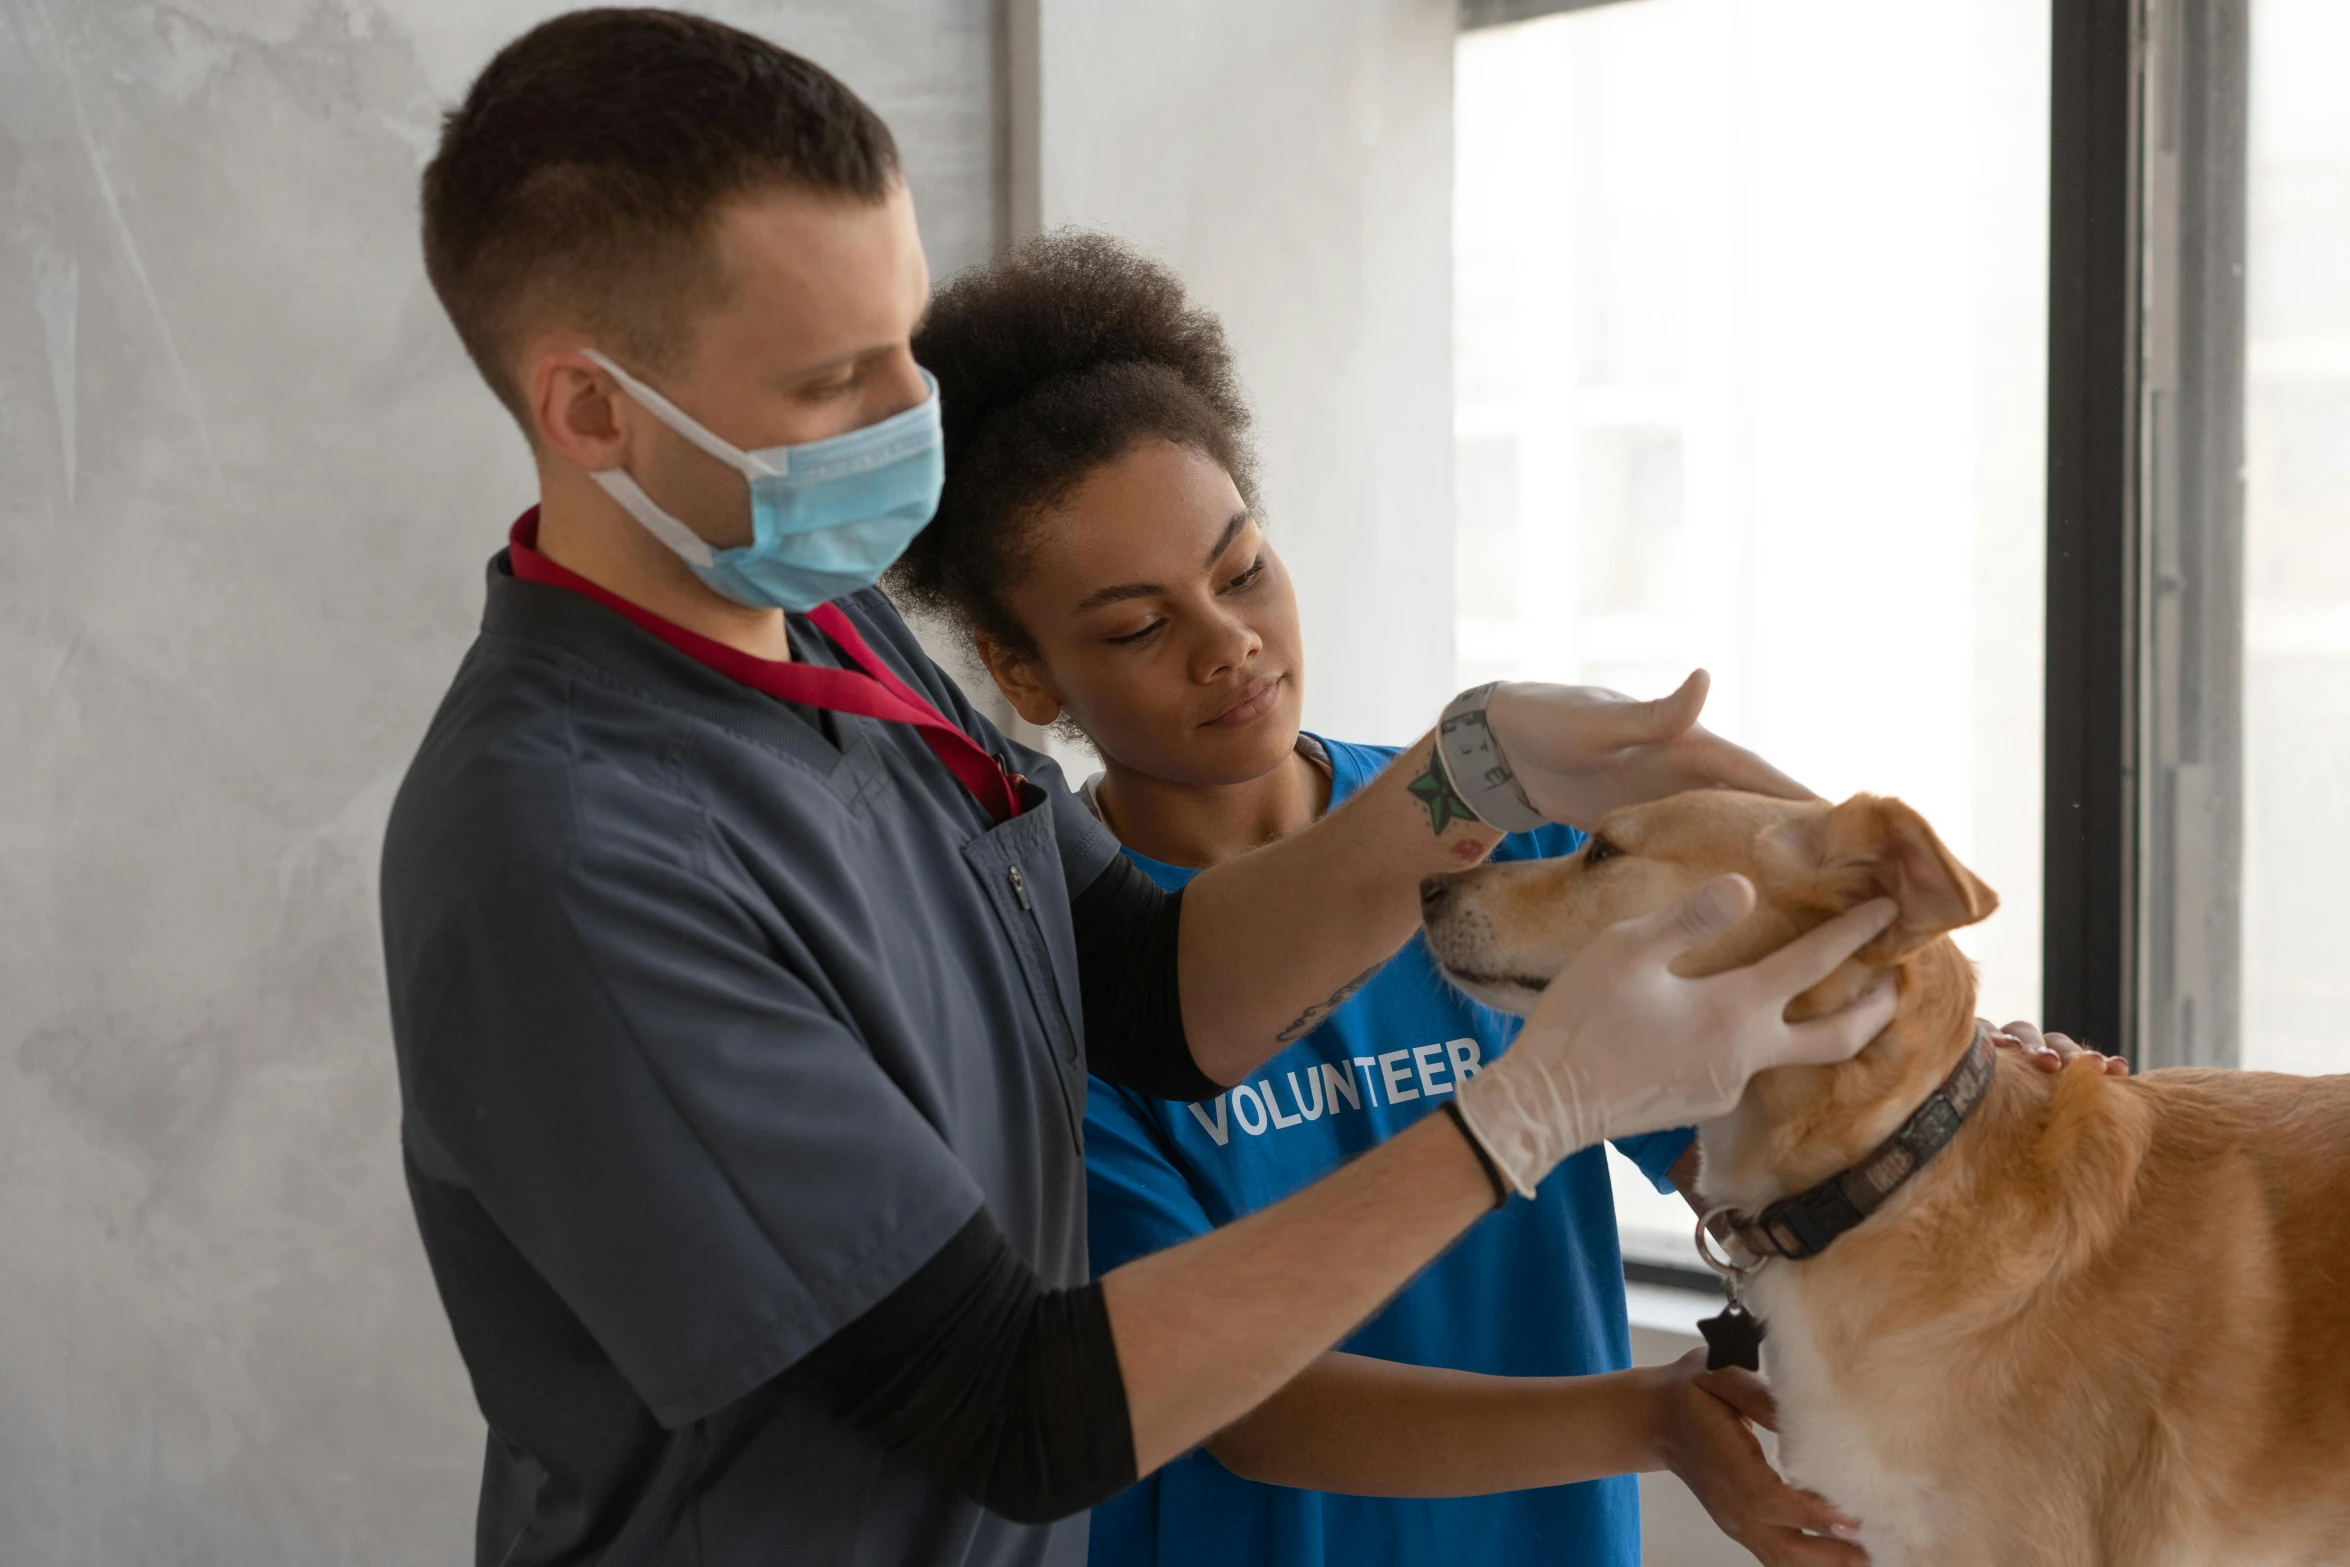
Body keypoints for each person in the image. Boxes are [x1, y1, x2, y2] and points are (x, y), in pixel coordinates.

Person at [379, 13, 1906, 1567]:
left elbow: (1145, 986)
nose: (913, 413)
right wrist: (1527, 1111)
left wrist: (1468, 775)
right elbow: (1010, 1404)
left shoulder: (828, 641)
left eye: (904, 338)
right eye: (837, 380)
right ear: (590, 411)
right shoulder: (568, 852)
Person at [893, 233, 1861, 1567]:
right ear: (1023, 669)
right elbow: (1240, 1408)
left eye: (1240, 570)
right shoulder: (1052, 980)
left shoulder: (1516, 842)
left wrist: (1923, 1077)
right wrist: (1646, 1418)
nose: (1226, 640)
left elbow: (1743, 1159)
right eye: (1134, 626)